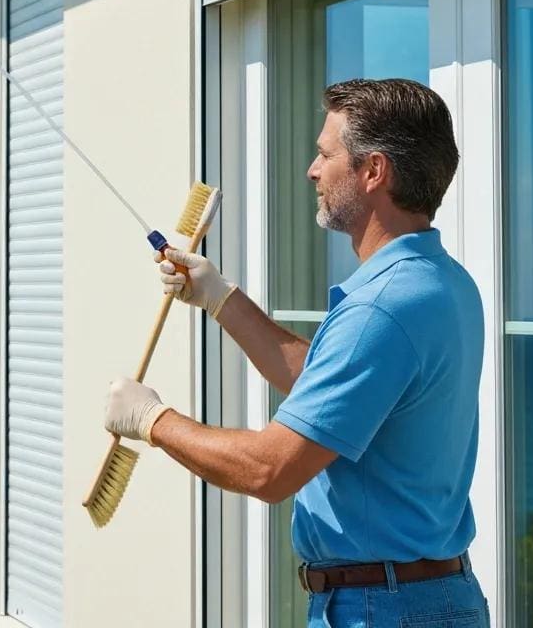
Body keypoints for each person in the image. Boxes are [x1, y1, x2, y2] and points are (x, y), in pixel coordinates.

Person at [104, 78, 488, 626]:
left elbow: (270, 471)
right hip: (424, 598)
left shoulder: (379, 309)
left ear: (373, 170)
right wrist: (220, 299)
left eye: (326, 154)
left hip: (384, 608)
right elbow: (333, 390)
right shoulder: (441, 283)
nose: (312, 169)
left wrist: (152, 419)